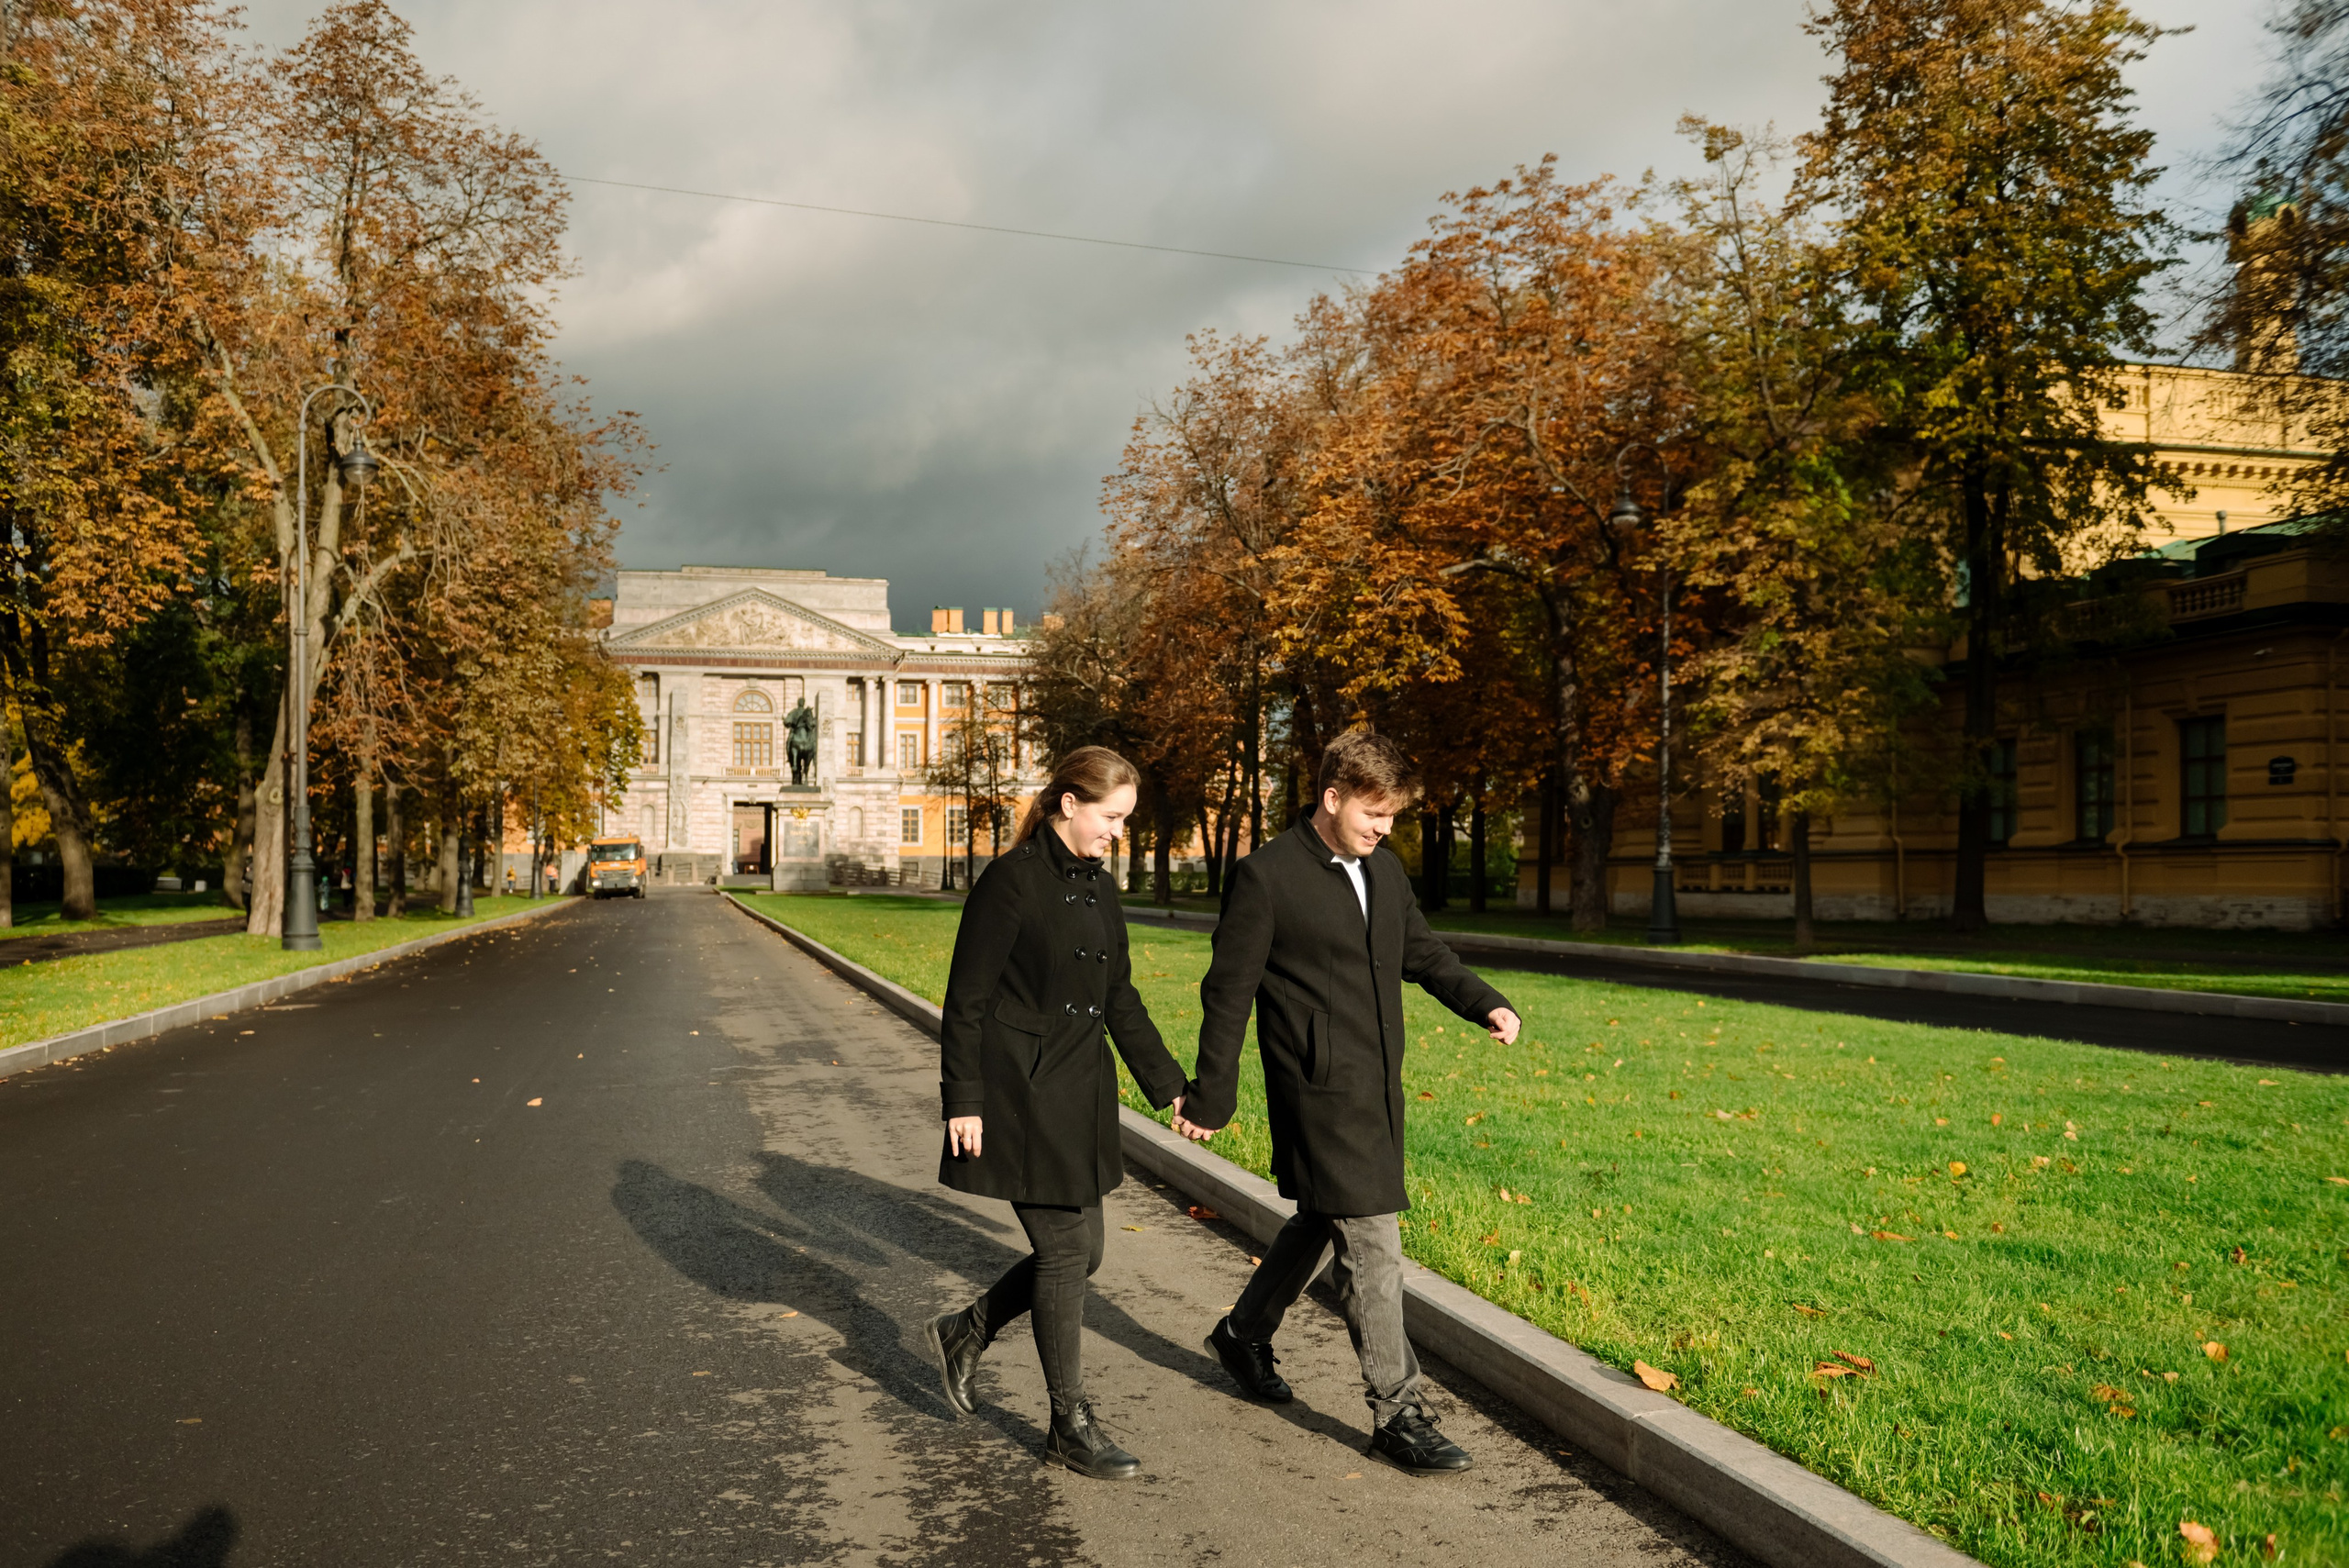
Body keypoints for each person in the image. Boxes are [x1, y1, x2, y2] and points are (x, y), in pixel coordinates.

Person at [1177, 729, 1520, 1475]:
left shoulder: (1385, 871)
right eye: (1375, 812)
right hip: (1315, 1090)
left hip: (1375, 1088)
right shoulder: (1266, 876)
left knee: (1319, 1218)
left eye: (1392, 815)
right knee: (1370, 1240)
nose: (1385, 827)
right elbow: (1228, 992)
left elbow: (1422, 953)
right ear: (1332, 798)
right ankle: (1398, 1411)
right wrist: (1212, 1093)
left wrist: (1485, 1002)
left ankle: (1243, 1332)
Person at [922, 745, 1208, 1480]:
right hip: (1017, 1089)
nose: (1119, 832)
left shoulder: (1099, 891)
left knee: (1091, 1254)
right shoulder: (1010, 883)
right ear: (1069, 804)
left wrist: (1172, 1086)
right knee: (1061, 1251)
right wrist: (965, 1100)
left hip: (1081, 1090)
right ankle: (1068, 1422)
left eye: (1126, 820)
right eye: (1112, 817)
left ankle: (968, 1329)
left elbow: (1120, 999)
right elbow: (968, 1000)